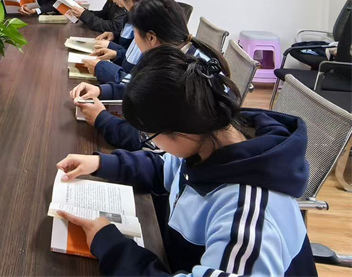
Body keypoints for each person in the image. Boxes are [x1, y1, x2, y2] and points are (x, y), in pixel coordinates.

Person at [56, 47, 316, 277]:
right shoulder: (210, 140)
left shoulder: (247, 220)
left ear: (182, 132)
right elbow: (164, 168)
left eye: (149, 136)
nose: (151, 142)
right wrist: (100, 164)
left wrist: (111, 246)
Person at [71, 0, 230, 151]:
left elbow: (149, 141)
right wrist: (101, 90)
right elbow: (141, 88)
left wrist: (100, 118)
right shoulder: (184, 56)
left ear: (152, 38)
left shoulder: (174, 75)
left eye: (134, 33)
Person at [88, 0, 158, 80]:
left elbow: (138, 83)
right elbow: (130, 62)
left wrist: (102, 68)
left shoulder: (147, 27)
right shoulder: (141, 20)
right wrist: (116, 54)